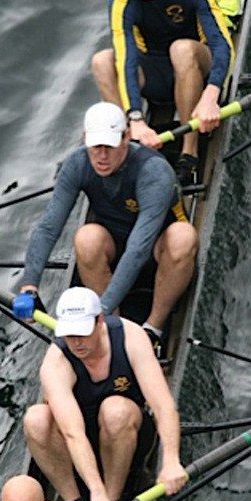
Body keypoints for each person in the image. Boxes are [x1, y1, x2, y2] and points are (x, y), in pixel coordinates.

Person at [16, 101, 198, 353]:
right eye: (95, 146)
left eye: (109, 147)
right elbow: (48, 227)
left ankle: (153, 328)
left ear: (126, 138)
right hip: (115, 249)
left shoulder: (153, 171)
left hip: (157, 249)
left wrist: (95, 312)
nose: (101, 156)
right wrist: (29, 286)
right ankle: (113, 328)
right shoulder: (77, 164)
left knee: (183, 236)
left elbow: (138, 250)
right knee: (86, 239)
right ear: (85, 138)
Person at [23, 286, 188, 501]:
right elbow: (72, 434)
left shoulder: (131, 337)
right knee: (35, 419)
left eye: (81, 333)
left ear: (99, 321)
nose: (76, 343)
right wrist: (94, 493)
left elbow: (163, 406)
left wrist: (172, 460)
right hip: (81, 442)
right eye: (69, 335)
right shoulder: (55, 363)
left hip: (128, 432)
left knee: (115, 410)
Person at [91, 0, 234, 186]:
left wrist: (212, 93)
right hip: (156, 73)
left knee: (180, 49)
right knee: (102, 61)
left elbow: (222, 44)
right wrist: (135, 116)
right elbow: (126, 61)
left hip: (196, 64)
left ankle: (189, 152)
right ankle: (130, 144)